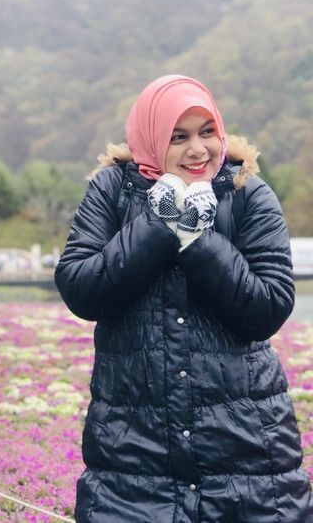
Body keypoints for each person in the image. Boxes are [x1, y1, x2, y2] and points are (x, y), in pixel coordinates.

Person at [54, 75, 313, 522]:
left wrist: (198, 239)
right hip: (132, 460)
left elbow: (269, 307)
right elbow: (80, 289)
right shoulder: (112, 191)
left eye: (207, 132)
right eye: (178, 137)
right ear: (151, 138)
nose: (198, 150)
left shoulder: (247, 192)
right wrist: (157, 225)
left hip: (248, 453)